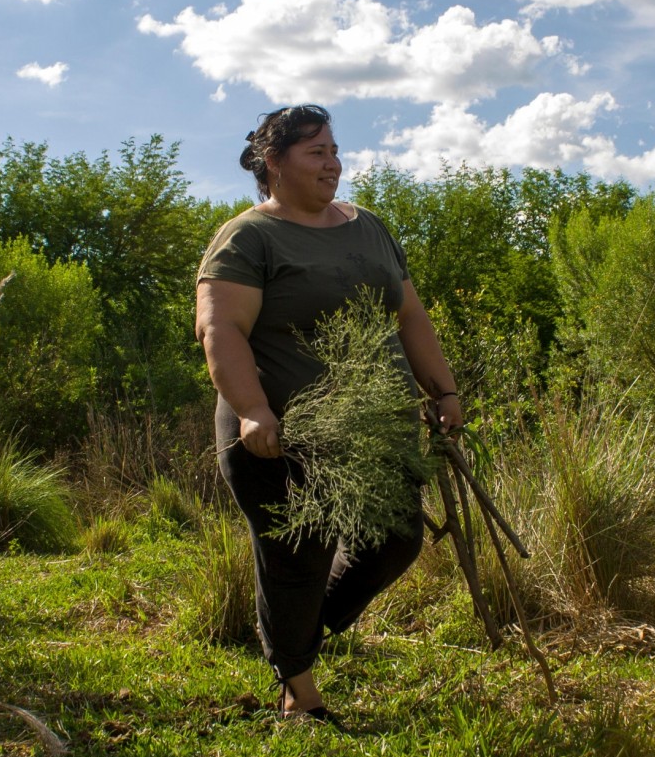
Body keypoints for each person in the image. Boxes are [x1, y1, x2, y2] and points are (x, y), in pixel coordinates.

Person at [194, 104, 462, 722]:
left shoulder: (368, 227)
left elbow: (410, 316)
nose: (333, 163)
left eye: (334, 150)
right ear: (273, 164)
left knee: (395, 542)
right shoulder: (249, 236)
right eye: (315, 152)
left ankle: (298, 632)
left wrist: (442, 391)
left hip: (373, 431)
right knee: (297, 556)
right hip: (279, 433)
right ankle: (300, 693)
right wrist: (255, 410)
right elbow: (221, 330)